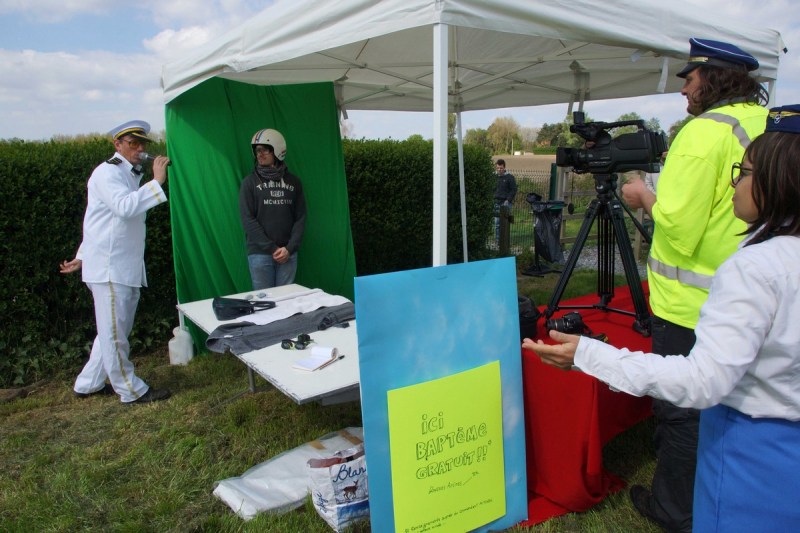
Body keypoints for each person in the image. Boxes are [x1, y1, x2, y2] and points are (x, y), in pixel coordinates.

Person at [523, 104, 800, 532]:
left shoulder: (755, 268)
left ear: (778, 180)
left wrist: (590, 355)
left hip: (750, 452)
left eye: (742, 173)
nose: (733, 188)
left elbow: (702, 382)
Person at [618, 38, 769, 531]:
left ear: (713, 77)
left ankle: (673, 508)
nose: (684, 87)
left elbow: (679, 231)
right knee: (737, 404)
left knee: (683, 410)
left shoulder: (702, 133)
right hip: (752, 297)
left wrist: (642, 195)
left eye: (690, 76)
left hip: (689, 307)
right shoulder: (765, 124)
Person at [60, 120, 171, 404]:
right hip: (111, 270)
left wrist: (81, 256)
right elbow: (123, 209)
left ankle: (88, 384)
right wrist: (156, 182)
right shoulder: (107, 173)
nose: (140, 149)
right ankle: (131, 390)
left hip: (121, 267)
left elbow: (100, 222)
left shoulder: (127, 175)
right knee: (114, 336)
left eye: (142, 143)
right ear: (118, 144)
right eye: (133, 143)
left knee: (112, 332)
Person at [239, 128, 306, 290]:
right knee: (265, 304)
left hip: (287, 254)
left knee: (286, 302)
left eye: (265, 150)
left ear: (277, 150)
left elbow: (301, 218)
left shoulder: (294, 182)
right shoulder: (249, 183)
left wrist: (289, 249)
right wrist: (272, 248)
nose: (260, 154)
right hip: (260, 254)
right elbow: (248, 219)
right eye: (257, 150)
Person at [493, 159, 517, 244]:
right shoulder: (494, 177)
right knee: (497, 223)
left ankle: (505, 241)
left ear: (504, 167)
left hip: (506, 202)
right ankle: (498, 240)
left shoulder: (510, 177)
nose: (499, 170)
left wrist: (508, 199)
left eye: (501, 168)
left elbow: (513, 190)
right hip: (496, 202)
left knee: (505, 223)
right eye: (498, 168)